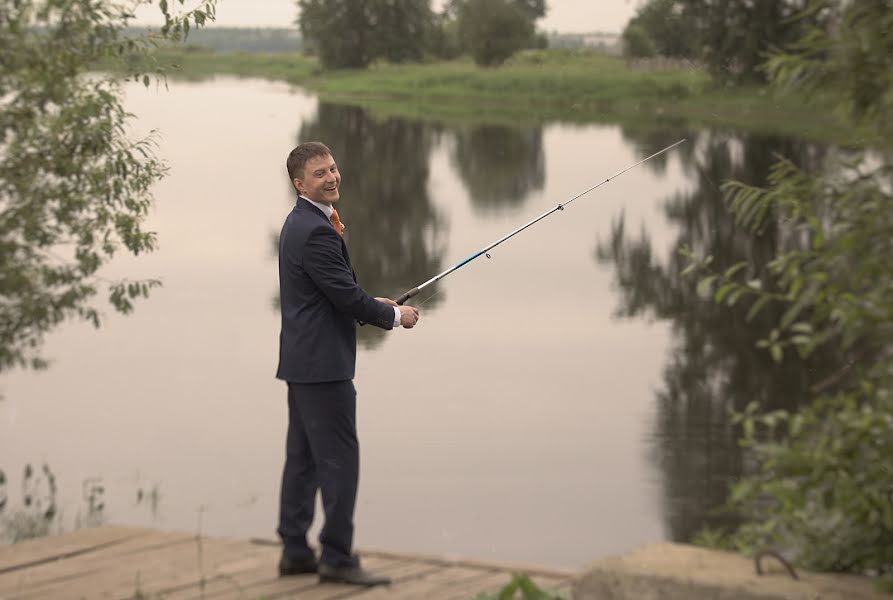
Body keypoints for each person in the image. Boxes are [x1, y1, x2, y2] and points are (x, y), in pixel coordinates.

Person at [275, 141, 419, 586]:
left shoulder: (304, 222)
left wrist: (365, 302)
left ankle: (296, 551)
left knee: (303, 460)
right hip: (323, 367)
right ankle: (336, 556)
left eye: (333, 168)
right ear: (300, 184)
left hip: (303, 362)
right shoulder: (316, 230)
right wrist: (394, 315)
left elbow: (331, 292)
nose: (332, 177)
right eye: (319, 174)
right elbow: (342, 294)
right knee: (339, 459)